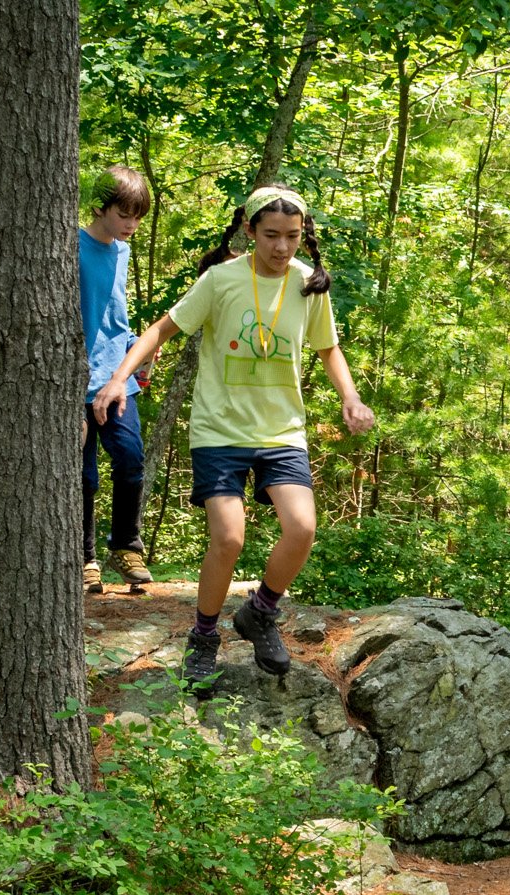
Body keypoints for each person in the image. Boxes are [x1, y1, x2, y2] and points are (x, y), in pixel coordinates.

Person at [92, 185, 375, 689]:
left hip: (281, 430)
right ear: (249, 231)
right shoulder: (221, 279)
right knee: (228, 537)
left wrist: (350, 399)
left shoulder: (309, 283)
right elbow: (161, 329)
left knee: (302, 528)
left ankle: (260, 612)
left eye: (291, 237)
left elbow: (329, 349)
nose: (281, 247)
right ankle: (203, 637)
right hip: (219, 429)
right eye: (270, 236)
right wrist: (119, 378)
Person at [80, 165, 156, 594]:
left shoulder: (123, 252)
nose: (132, 224)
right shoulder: (70, 244)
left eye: (138, 216)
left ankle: (126, 546)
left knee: (130, 461)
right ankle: (84, 558)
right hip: (74, 378)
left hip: (118, 377)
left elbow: (114, 314)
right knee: (83, 475)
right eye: (124, 214)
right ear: (100, 207)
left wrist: (138, 347)